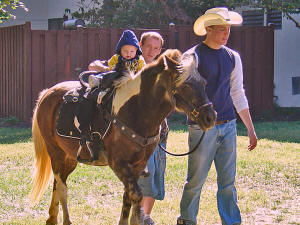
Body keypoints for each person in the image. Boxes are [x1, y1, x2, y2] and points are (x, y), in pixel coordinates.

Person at [176, 8, 258, 225]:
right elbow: (182, 94)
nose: (226, 34)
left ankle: (231, 222)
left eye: (228, 29)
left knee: (228, 183)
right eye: (221, 29)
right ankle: (186, 220)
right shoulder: (192, 56)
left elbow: (237, 92)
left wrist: (249, 128)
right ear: (208, 29)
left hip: (229, 126)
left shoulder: (233, 57)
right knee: (195, 181)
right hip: (202, 129)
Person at [76, 30, 145, 162]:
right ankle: (97, 81)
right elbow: (110, 67)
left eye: (132, 51)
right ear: (120, 50)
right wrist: (108, 70)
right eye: (126, 51)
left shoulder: (139, 61)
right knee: (108, 76)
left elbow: (143, 71)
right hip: (117, 79)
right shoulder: (117, 58)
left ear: (136, 51)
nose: (129, 54)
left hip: (132, 82)